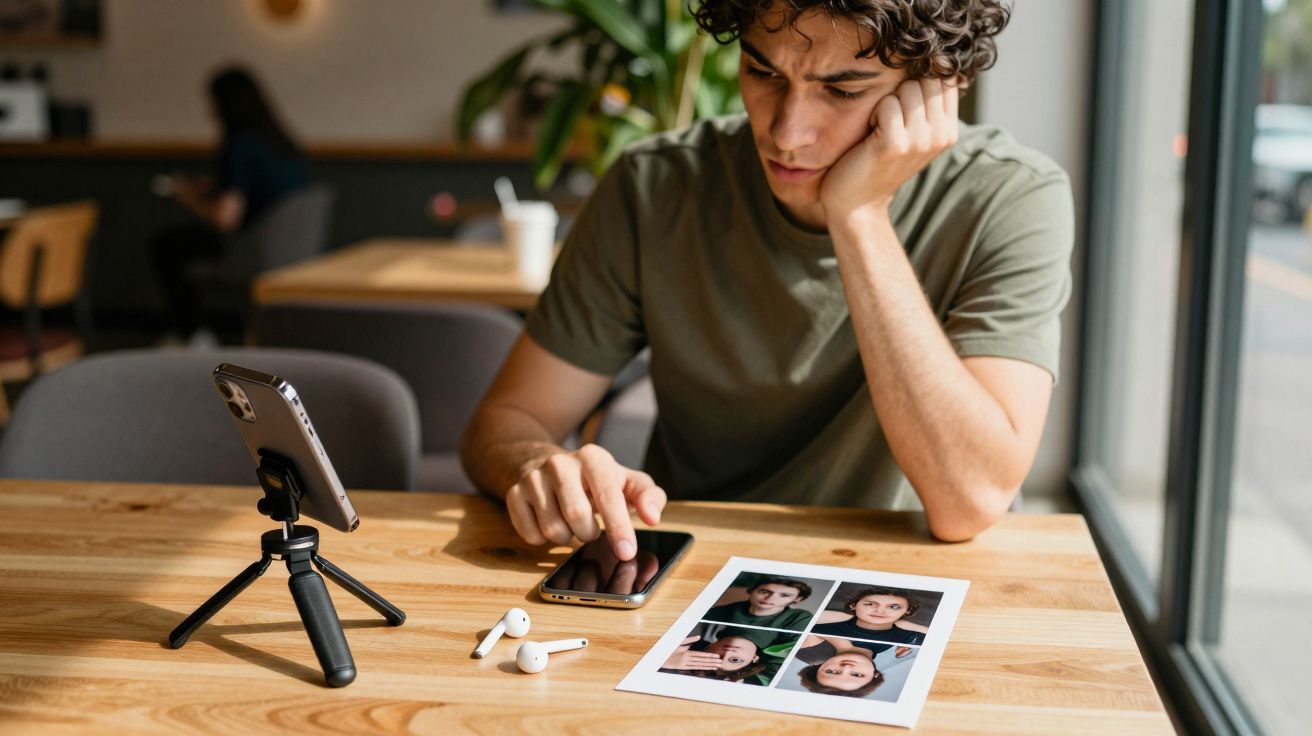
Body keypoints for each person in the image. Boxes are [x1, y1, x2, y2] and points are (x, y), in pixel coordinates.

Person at [461, 0, 1072, 559]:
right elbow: (508, 420)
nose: (786, 132)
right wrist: (538, 465)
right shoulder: (654, 186)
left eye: (841, 89)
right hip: (686, 567)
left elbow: (970, 499)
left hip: (898, 581)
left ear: (936, 88)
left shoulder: (1009, 198)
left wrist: (858, 215)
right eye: (763, 72)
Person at [151, 65, 309, 338]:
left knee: (167, 246)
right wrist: (214, 186)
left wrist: (187, 197)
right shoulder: (280, 142)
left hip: (252, 248)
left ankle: (192, 334)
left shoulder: (240, 144)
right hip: (289, 250)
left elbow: (226, 218)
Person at [794, 635, 910, 697]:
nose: (846, 667)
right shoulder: (901, 647)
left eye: (831, 672)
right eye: (857, 675)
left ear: (818, 668)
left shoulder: (806, 648)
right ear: (875, 674)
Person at [811, 586, 927, 644]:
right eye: (870, 604)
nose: (880, 611)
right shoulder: (821, 628)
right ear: (853, 605)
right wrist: (848, 615)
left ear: (908, 611)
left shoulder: (911, 638)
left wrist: (910, 625)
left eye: (894, 607)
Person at [659, 629, 771, 683]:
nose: (728, 652)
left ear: (708, 648)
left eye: (715, 656)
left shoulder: (687, 633)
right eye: (735, 660)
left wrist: (662, 658)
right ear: (755, 658)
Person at [704, 577, 814, 631]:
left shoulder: (799, 618)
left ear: (798, 599)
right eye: (764, 591)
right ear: (752, 590)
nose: (770, 598)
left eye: (784, 595)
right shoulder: (717, 612)